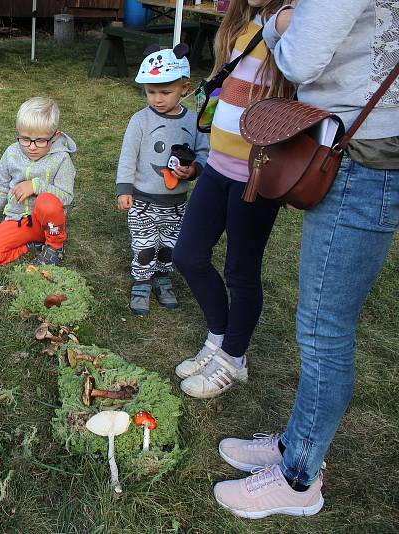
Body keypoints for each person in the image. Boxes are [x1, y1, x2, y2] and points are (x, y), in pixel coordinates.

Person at [213, 0, 399, 518]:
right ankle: (296, 444)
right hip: (370, 152)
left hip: (364, 160)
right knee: (323, 325)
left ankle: (298, 480)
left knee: (323, 330)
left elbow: (299, 60)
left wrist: (277, 23)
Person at [171, 0, 294, 399]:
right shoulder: (240, 20)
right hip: (219, 163)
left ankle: (234, 358)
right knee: (188, 255)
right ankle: (219, 339)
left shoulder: (293, 19)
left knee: (241, 270)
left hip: (257, 171)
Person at [116, 44, 209, 316]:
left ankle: (163, 277)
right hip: (143, 200)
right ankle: (142, 282)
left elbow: (204, 152)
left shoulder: (194, 121)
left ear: (185, 87)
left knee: (170, 243)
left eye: (165, 92)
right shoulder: (139, 121)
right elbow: (127, 156)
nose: (157, 98)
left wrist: (193, 170)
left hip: (177, 201)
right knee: (144, 245)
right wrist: (124, 188)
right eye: (151, 91)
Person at [0, 96, 77, 269]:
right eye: (25, 139)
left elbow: (66, 197)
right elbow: (0, 187)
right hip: (18, 220)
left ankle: (55, 247)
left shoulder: (62, 159)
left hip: (47, 223)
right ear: (18, 132)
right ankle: (31, 246)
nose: (32, 147)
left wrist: (36, 186)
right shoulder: (11, 153)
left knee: (48, 203)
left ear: (55, 136)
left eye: (41, 140)